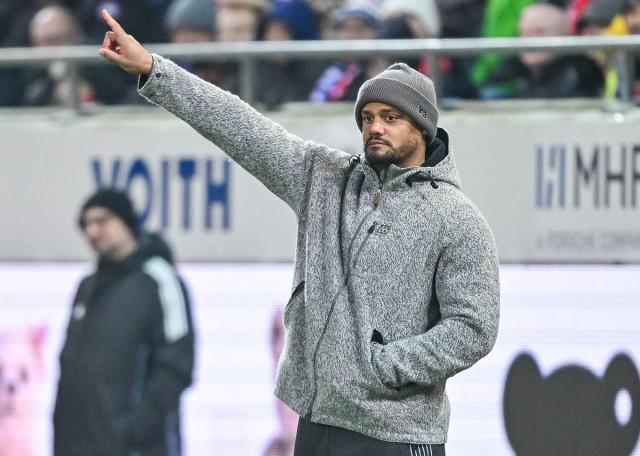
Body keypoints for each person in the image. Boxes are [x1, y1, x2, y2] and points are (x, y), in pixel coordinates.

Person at [99, 9, 500, 454]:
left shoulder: (456, 218)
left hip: (397, 434)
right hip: (316, 422)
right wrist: (155, 70)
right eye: (367, 117)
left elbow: (474, 327)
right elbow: (241, 127)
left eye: (391, 117)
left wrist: (385, 367)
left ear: (422, 127)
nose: (375, 127)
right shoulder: (325, 179)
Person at [53, 188, 195, 456]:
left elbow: (176, 367)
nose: (92, 231)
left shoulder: (160, 279)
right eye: (86, 224)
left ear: (127, 222)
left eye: (102, 221)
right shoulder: (88, 285)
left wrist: (131, 432)